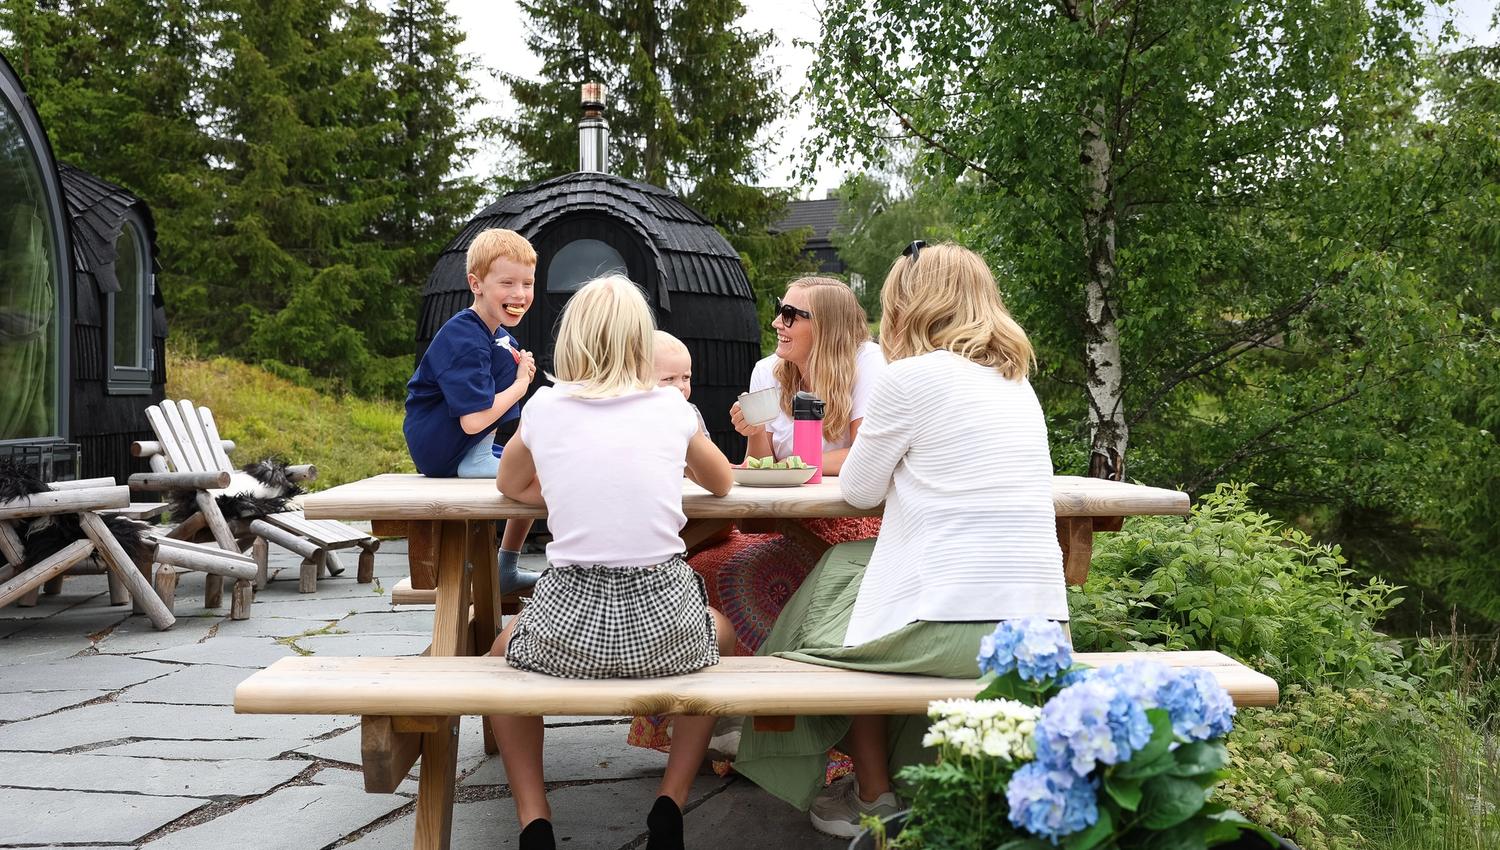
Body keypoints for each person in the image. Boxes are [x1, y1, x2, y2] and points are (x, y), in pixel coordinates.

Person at [733, 242, 1069, 838]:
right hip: (1040, 631)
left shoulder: (909, 379)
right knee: (855, 570)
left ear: (908, 305)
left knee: (830, 603)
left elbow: (860, 490)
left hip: (957, 631)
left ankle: (870, 790)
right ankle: (899, 785)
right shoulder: (1018, 384)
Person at [487, 275, 738, 850]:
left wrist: (571, 492)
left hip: (566, 627)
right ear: (639, 344)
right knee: (720, 634)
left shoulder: (546, 406)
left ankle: (535, 818)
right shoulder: (672, 408)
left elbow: (509, 482)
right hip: (665, 627)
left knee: (500, 655)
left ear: (571, 339)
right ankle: (670, 802)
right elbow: (722, 482)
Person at [402, 228, 540, 592]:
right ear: (475, 284)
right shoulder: (465, 337)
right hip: (443, 446)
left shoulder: (495, 333)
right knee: (538, 474)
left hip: (461, 443)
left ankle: (506, 565)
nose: (519, 294)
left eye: (527, 283)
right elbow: (474, 420)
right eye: (507, 283)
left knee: (537, 462)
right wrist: (520, 384)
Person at [730, 276, 886, 475]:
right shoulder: (765, 371)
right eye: (780, 309)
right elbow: (763, 469)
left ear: (825, 326)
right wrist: (756, 431)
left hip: (846, 502)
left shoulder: (868, 361)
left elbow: (868, 456)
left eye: (788, 314)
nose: (775, 323)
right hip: (784, 503)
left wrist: (796, 465)